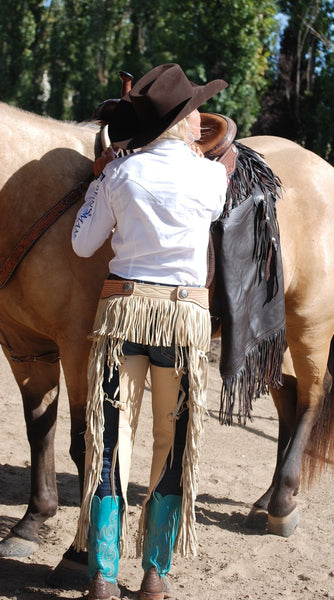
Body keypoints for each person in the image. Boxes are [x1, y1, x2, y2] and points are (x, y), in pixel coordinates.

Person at [71, 63, 228, 600]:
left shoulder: (120, 173)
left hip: (123, 314)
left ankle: (102, 575)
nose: (202, 120)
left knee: (110, 443)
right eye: (194, 114)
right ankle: (156, 573)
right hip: (184, 321)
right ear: (184, 124)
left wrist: (98, 183)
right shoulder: (211, 177)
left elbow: (82, 246)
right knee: (175, 443)